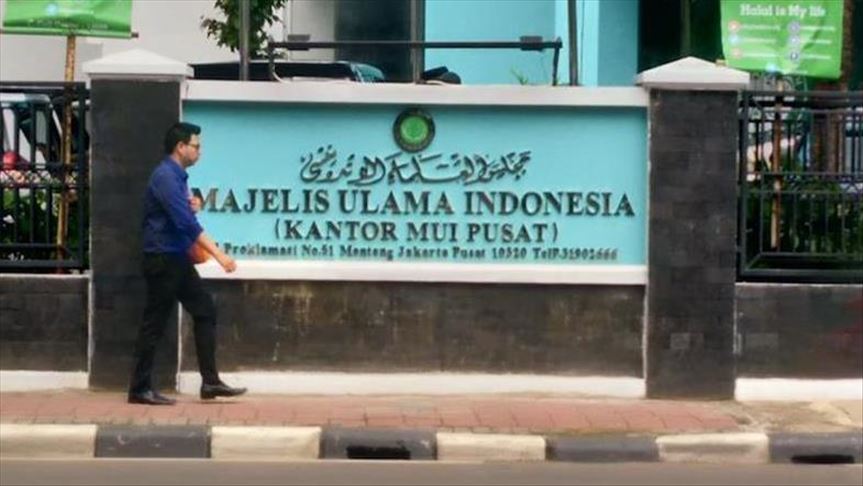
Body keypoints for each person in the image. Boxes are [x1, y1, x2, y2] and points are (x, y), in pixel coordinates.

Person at [127, 122, 246, 406]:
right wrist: (219, 254)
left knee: (205, 310)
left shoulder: (177, 177)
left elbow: (180, 214)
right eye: (196, 146)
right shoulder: (166, 177)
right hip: (162, 258)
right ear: (180, 147)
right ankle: (139, 389)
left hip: (176, 258)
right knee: (154, 324)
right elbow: (186, 224)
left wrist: (192, 204)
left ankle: (210, 382)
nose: (199, 151)